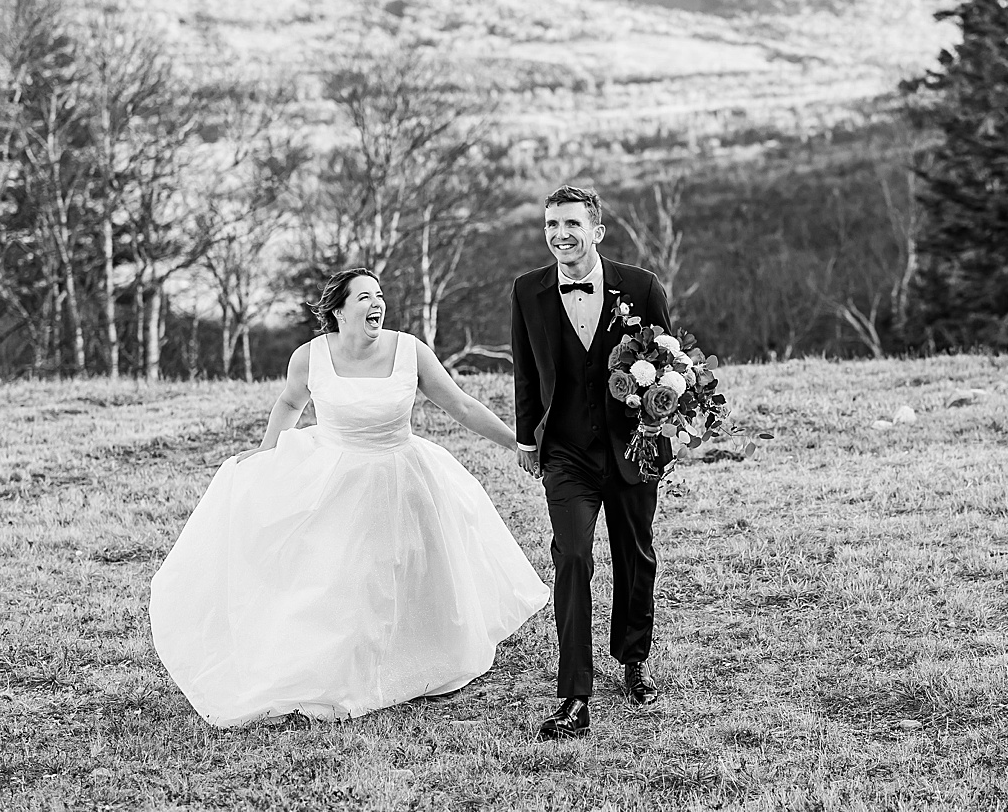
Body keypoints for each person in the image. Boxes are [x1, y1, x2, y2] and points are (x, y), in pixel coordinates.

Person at [149, 267, 548, 727]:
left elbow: (461, 405)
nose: (376, 304)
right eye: (363, 297)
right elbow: (288, 405)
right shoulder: (310, 357)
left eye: (379, 295)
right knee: (342, 578)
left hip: (403, 474)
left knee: (403, 572)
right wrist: (265, 458)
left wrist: (521, 445)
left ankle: (412, 657)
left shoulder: (409, 351)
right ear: (338, 310)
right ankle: (341, 668)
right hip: (335, 479)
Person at [511, 185, 672, 741]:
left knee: (635, 555)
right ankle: (574, 694)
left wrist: (659, 431)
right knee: (573, 557)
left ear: (597, 231)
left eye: (572, 224)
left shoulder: (642, 288)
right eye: (552, 223)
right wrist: (527, 442)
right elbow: (527, 374)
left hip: (631, 449)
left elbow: (669, 367)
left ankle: (633, 663)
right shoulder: (527, 291)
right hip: (566, 454)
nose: (560, 234)